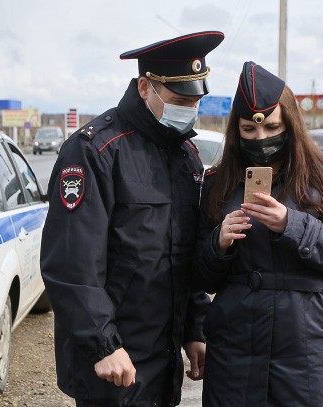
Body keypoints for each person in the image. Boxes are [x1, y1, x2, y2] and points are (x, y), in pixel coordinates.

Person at [40, 31, 225, 406]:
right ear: (145, 87)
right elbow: (71, 264)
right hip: (113, 360)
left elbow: (183, 255)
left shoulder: (185, 155)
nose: (189, 110)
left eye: (194, 102)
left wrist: (195, 328)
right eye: (179, 100)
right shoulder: (96, 150)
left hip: (164, 356)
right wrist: (103, 345)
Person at [194, 61, 323, 406]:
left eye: (272, 127)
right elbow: (199, 276)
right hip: (236, 346)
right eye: (249, 130)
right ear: (237, 130)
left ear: (290, 124)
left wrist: (293, 225)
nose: (261, 138)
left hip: (309, 344)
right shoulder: (216, 182)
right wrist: (219, 243)